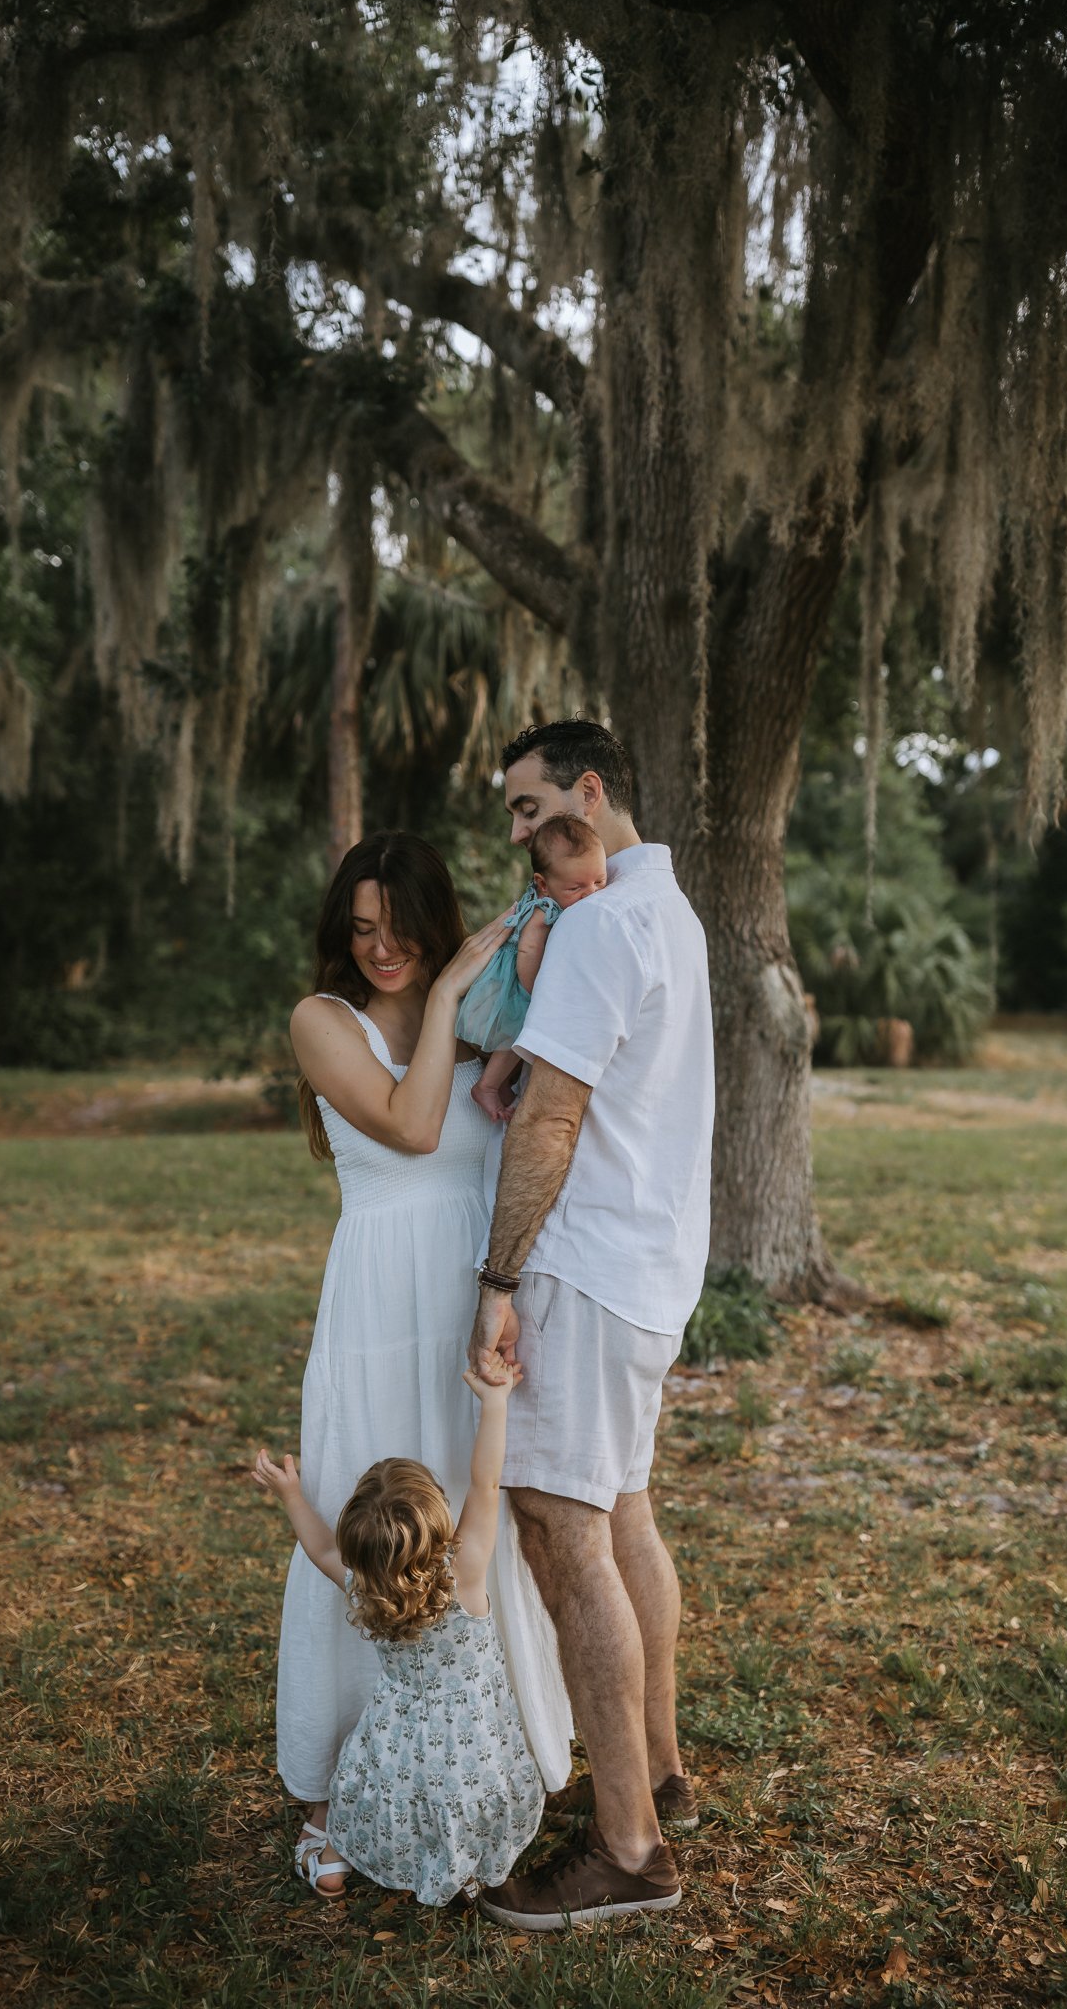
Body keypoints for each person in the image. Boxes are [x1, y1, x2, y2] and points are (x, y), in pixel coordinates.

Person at [278, 831, 571, 1894]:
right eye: (360, 931)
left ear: (430, 917)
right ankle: (328, 1791)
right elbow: (409, 1126)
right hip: (376, 1295)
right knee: (364, 1500)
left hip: (469, 1281)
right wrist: (449, 988)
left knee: (474, 1506)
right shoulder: (325, 1020)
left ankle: (496, 1757)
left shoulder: (486, 1005)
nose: (380, 950)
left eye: (399, 930)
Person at [468, 721, 714, 1931]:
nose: (518, 834)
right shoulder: (667, 910)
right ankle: (658, 1769)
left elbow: (549, 1125)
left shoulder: (604, 925)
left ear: (593, 790)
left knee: (564, 1533)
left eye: (530, 808)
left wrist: (498, 1278)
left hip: (584, 1265)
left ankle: (628, 1849)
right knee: (622, 1510)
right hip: (655, 1268)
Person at [251, 1359, 545, 1906]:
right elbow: (486, 1481)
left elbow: (318, 1547)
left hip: (394, 1742)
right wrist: (496, 1402)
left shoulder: (363, 1585)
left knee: (384, 1800)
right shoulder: (466, 1571)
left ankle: (332, 1865)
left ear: (358, 1546)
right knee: (467, 1794)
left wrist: (291, 1494)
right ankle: (473, 1866)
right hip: (472, 1739)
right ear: (439, 1517)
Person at [458, 814, 608, 1124]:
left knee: (513, 1039)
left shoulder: (559, 896)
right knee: (518, 1034)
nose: (592, 894)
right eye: (577, 887)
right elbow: (527, 947)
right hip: (518, 979)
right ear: (543, 883)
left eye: (600, 881)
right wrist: (531, 992)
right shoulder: (546, 907)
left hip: (517, 977)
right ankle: (486, 1086)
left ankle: (499, 1086)